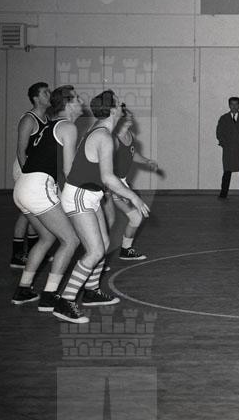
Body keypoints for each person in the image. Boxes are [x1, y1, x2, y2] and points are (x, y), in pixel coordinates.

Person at [56, 90, 150, 323]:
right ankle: (65, 300)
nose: (122, 106)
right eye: (118, 103)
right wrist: (134, 198)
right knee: (95, 251)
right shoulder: (104, 136)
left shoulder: (100, 130)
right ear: (112, 110)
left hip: (90, 195)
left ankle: (91, 291)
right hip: (80, 196)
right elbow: (108, 177)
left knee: (105, 245)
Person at [11, 85, 83, 315]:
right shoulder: (68, 127)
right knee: (71, 240)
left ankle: (23, 289)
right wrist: (85, 192)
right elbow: (69, 170)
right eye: (78, 98)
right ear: (68, 104)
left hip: (23, 186)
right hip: (37, 187)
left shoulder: (49, 125)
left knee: (46, 237)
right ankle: (49, 296)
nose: (81, 102)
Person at [102, 104, 160, 261]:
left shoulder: (130, 136)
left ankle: (125, 250)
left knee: (135, 217)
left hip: (121, 184)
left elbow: (132, 154)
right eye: (126, 115)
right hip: (111, 184)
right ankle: (95, 254)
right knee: (110, 220)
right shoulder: (112, 139)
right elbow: (103, 165)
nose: (131, 116)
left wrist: (147, 161)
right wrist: (109, 187)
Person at [10, 82, 51, 269]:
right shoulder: (29, 119)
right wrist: (27, 175)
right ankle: (17, 254)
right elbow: (21, 151)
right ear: (36, 98)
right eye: (45, 93)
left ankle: (35, 250)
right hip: (24, 168)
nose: (49, 95)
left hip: (37, 169)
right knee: (26, 213)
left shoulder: (47, 118)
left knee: (36, 211)